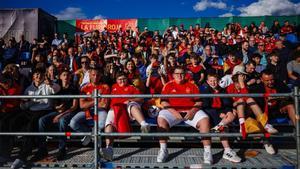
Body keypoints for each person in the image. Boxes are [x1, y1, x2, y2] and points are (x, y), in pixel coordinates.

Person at [156, 66, 212, 164]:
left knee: (205, 120)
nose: (179, 75)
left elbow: (199, 102)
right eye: (177, 73)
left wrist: (192, 111)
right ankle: (163, 150)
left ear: (185, 74)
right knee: (161, 119)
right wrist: (174, 112)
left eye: (182, 73)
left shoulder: (192, 84)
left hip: (189, 111)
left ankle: (207, 151)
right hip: (173, 111)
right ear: (173, 75)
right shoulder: (168, 85)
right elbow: (164, 102)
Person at [11, 68, 61, 169]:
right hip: (30, 110)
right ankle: (7, 149)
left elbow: (56, 89)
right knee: (13, 121)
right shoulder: (28, 89)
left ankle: (23, 155)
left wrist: (50, 83)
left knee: (31, 124)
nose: (38, 76)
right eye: (36, 74)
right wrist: (28, 102)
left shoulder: (47, 85)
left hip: (44, 110)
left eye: (40, 74)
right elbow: (24, 106)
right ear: (33, 76)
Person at [102, 72, 150, 161]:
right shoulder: (113, 87)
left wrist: (130, 99)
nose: (122, 81)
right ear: (116, 80)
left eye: (124, 79)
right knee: (108, 125)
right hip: (115, 108)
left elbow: (141, 98)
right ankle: (109, 148)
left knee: (132, 105)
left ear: (127, 79)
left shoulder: (131, 87)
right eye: (120, 79)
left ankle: (144, 125)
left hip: (128, 108)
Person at [37, 68, 79, 160]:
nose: (66, 77)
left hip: (69, 112)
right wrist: (57, 108)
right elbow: (54, 104)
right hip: (58, 111)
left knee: (62, 121)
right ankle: (42, 148)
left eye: (68, 75)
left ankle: (62, 149)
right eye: (64, 75)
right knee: (41, 120)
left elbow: (74, 107)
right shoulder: (57, 87)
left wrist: (61, 114)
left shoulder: (74, 88)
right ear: (60, 76)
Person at [201, 73, 241, 163]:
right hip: (211, 114)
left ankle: (219, 126)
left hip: (222, 113)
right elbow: (206, 106)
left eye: (215, 81)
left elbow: (227, 104)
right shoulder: (205, 91)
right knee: (224, 127)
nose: (213, 83)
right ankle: (227, 150)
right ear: (207, 82)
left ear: (218, 81)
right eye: (211, 81)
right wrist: (220, 113)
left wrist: (228, 111)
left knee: (231, 114)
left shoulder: (223, 90)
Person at [69, 66, 110, 146]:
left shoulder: (105, 87)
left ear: (100, 76)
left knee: (101, 124)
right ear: (89, 75)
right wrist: (96, 100)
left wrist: (90, 102)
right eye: (93, 75)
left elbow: (104, 105)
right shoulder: (84, 88)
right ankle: (89, 134)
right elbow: (82, 105)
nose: (95, 77)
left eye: (97, 75)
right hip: (87, 111)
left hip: (100, 111)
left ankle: (94, 139)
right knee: (73, 123)